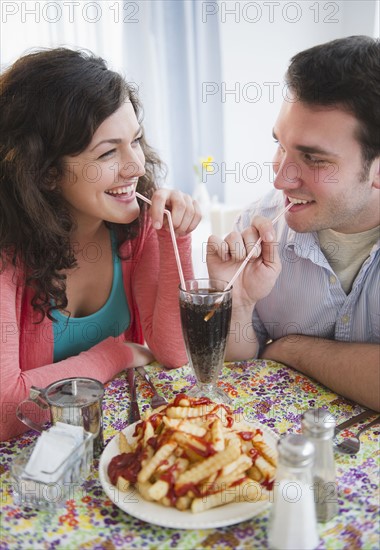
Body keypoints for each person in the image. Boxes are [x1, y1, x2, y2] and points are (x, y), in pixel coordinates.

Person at [0, 47, 201, 440]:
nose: (136, 166)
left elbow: (174, 354)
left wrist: (175, 240)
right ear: (44, 173)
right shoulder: (7, 253)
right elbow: (9, 409)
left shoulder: (134, 226)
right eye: (109, 152)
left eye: (136, 141)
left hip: (110, 448)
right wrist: (117, 353)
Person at [207, 35, 380, 411]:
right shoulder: (258, 224)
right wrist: (238, 302)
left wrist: (292, 349)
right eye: (281, 145)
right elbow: (241, 375)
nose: (281, 179)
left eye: (314, 159)